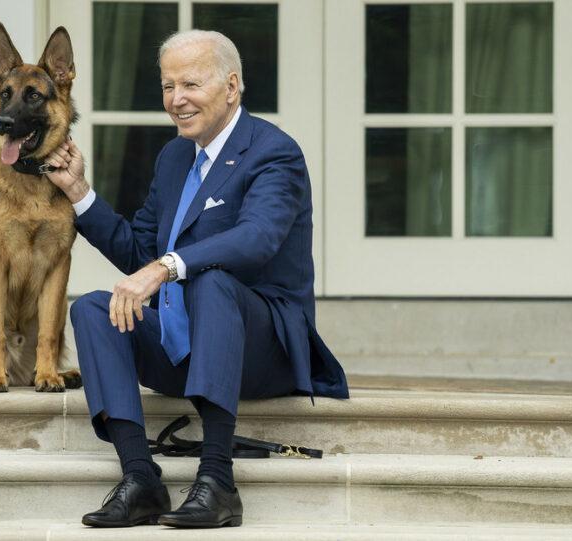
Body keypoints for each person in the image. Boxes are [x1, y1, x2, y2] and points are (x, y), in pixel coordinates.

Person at [43, 29, 349, 529]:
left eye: (190, 84)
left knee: (210, 281)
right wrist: (79, 193)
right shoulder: (173, 158)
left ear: (232, 87)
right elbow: (140, 252)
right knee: (92, 309)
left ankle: (217, 480)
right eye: (167, 87)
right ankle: (140, 478)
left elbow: (256, 240)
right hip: (184, 344)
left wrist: (165, 268)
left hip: (260, 348)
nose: (176, 100)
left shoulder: (274, 153)